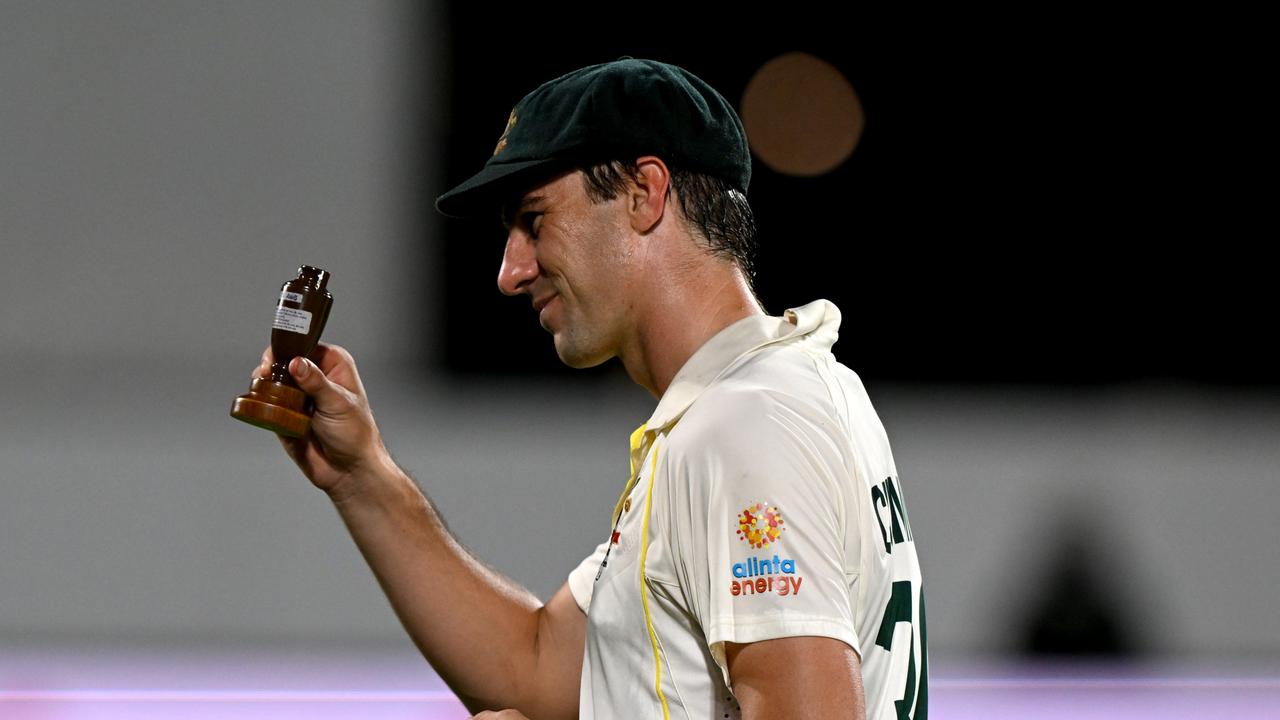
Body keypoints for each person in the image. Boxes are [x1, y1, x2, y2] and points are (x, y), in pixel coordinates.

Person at [254, 58, 927, 719]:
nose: (510, 272)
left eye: (535, 220)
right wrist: (361, 474)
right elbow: (539, 667)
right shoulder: (776, 396)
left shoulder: (746, 423)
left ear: (644, 192)